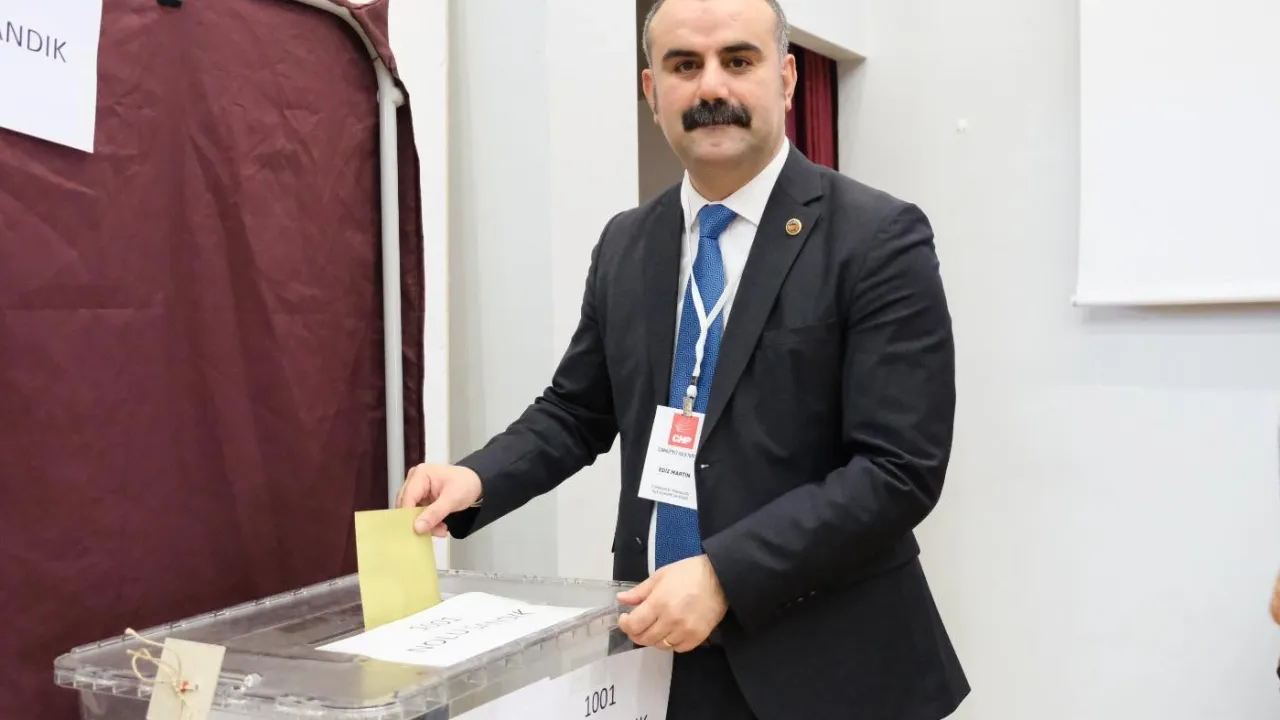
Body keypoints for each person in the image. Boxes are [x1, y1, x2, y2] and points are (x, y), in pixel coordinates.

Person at [396, 0, 969, 716]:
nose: (711, 87)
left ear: (786, 79)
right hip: (662, 653)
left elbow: (898, 470)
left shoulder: (876, 238)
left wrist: (726, 574)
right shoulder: (627, 242)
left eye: (738, 60)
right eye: (684, 65)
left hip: (827, 666)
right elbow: (576, 410)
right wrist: (479, 477)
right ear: (652, 90)